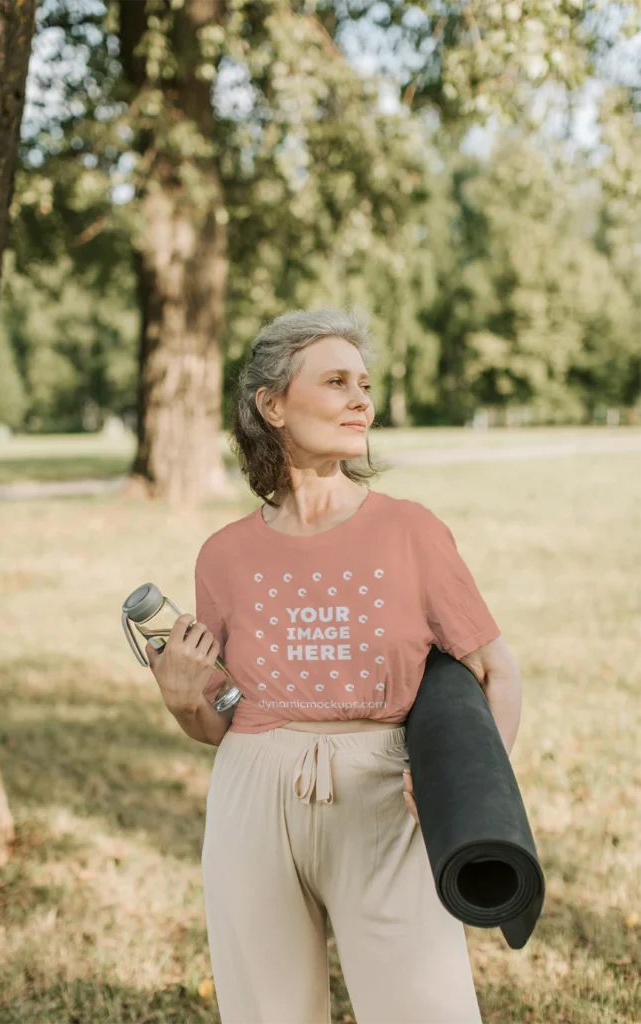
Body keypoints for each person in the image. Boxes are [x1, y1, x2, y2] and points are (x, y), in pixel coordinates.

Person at [148, 308, 520, 1024]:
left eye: (364, 384)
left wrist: (468, 795)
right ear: (272, 404)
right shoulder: (223, 554)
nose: (361, 401)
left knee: (425, 1009)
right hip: (252, 791)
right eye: (336, 381)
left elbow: (495, 669)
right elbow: (218, 721)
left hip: (386, 789)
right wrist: (182, 698)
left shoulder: (409, 529)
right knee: (266, 1011)